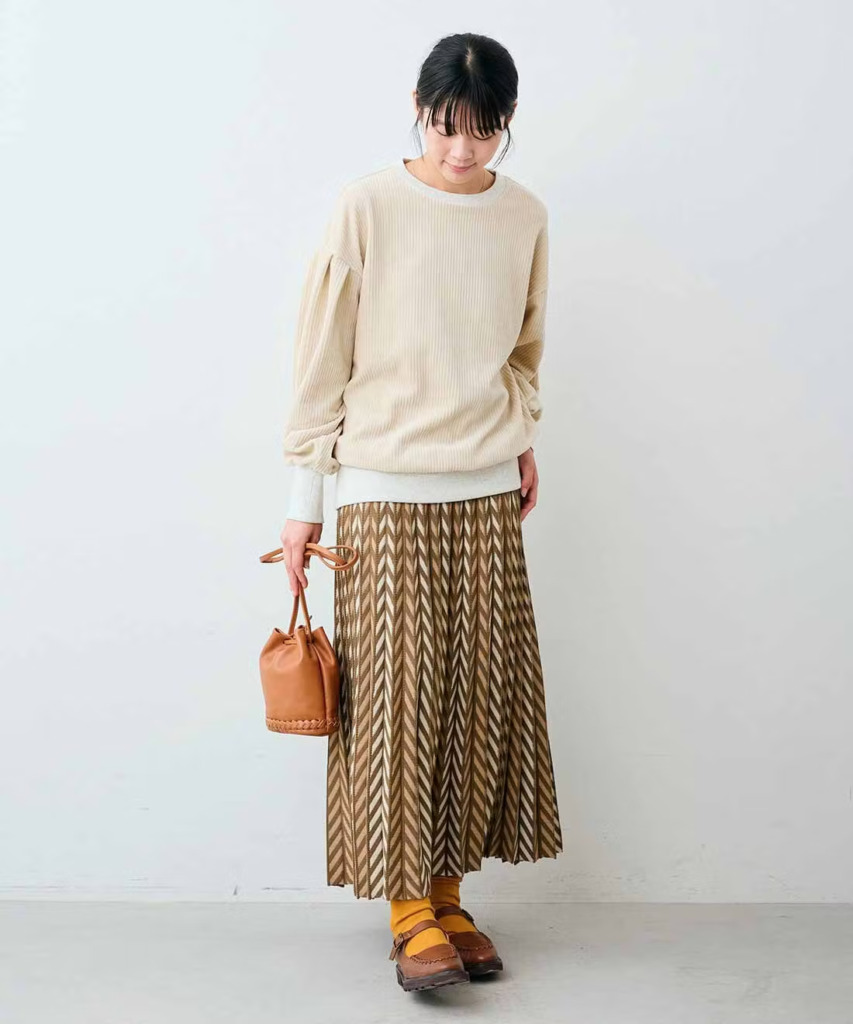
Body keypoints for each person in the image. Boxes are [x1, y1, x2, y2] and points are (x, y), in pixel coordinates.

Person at [278, 31, 563, 992]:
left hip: (485, 488)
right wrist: (303, 500)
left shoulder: (523, 215)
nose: (460, 149)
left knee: (472, 701)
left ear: (507, 122)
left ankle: (448, 896)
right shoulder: (367, 207)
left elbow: (522, 350)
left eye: (482, 131)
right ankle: (407, 913)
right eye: (445, 128)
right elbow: (321, 359)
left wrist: (521, 437)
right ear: (417, 108)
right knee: (395, 705)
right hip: (382, 488)